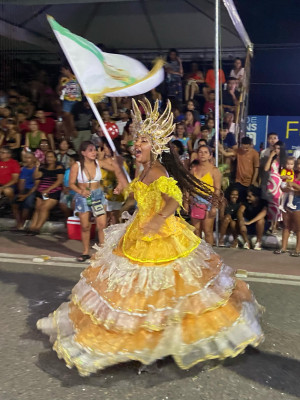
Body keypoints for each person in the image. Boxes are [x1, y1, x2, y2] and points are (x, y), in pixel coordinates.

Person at [37, 99, 263, 377]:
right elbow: (128, 192)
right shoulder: (143, 169)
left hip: (160, 236)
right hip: (138, 232)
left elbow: (174, 197)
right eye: (135, 139)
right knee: (136, 294)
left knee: (161, 293)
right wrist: (118, 170)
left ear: (155, 146)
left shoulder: (157, 170)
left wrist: (158, 218)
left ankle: (156, 344)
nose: (136, 145)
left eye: (142, 140)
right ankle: (145, 344)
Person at [69, 140, 127, 262]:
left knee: (102, 225)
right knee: (85, 226)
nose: (94, 152)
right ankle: (85, 251)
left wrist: (120, 184)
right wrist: (81, 192)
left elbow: (117, 170)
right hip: (84, 197)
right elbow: (71, 184)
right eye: (90, 150)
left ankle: (102, 251)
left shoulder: (99, 163)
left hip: (97, 196)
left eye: (94, 150)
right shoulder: (77, 166)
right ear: (83, 153)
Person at [190, 144, 221, 245]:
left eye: (205, 152)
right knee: (196, 230)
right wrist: (187, 201)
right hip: (195, 202)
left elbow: (217, 190)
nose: (202, 154)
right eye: (200, 152)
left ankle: (210, 255)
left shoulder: (214, 170)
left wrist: (214, 207)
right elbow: (188, 187)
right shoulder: (194, 169)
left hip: (209, 202)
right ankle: (198, 254)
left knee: (207, 231)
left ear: (210, 156)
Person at [27, 151, 64, 235]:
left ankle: (37, 228)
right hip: (41, 191)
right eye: (47, 157)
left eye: (51, 157)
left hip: (53, 191)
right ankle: (32, 227)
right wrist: (37, 167)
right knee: (37, 208)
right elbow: (36, 177)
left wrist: (48, 189)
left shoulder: (59, 167)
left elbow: (59, 181)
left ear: (55, 158)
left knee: (44, 208)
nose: (49, 158)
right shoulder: (43, 167)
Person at [274, 158, 300, 257]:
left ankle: (298, 249)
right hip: (287, 199)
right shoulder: (292, 173)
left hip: (298, 201)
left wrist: (293, 185)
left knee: (298, 227)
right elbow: (282, 186)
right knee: (286, 226)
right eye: (298, 164)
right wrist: (286, 187)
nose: (298, 166)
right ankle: (283, 247)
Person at [220, 136, 260, 201]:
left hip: (249, 182)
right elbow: (226, 154)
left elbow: (256, 170)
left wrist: (252, 183)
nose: (245, 149)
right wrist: (220, 148)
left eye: (247, 148)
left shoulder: (255, 154)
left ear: (250, 145)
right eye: (243, 147)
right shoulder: (238, 151)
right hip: (239, 181)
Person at [263, 141, 286, 233]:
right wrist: (271, 157)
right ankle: (271, 225)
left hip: (279, 183)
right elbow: (265, 169)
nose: (277, 150)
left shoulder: (285, 160)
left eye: (279, 148)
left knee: (277, 204)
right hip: (271, 183)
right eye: (275, 148)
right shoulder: (273, 159)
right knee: (271, 204)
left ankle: (275, 225)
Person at [12, 152, 37, 230]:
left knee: (27, 203)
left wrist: (25, 195)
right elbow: (21, 182)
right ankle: (19, 223)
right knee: (14, 202)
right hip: (25, 190)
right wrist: (21, 193)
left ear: (34, 159)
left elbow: (36, 186)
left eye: (29, 157)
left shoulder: (37, 169)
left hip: (34, 190)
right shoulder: (23, 169)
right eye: (26, 157)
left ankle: (22, 223)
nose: (27, 159)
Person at [237, 186, 267, 250]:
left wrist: (250, 222)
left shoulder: (264, 202)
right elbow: (240, 211)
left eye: (250, 196)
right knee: (241, 221)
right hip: (248, 223)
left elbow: (263, 213)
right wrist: (241, 220)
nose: (247, 198)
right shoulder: (246, 202)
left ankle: (258, 242)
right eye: (247, 196)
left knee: (260, 221)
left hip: (260, 225)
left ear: (256, 197)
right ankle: (246, 242)